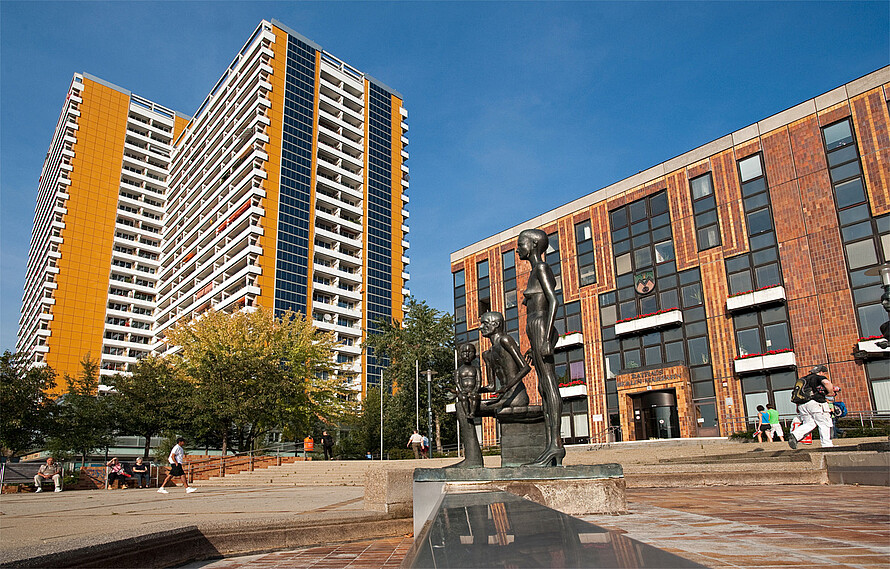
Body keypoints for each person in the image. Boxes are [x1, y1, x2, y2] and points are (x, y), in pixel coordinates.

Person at [518, 228, 565, 466]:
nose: (518, 248)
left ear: (534, 245)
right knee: (542, 386)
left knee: (548, 382)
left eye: (521, 243)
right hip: (536, 329)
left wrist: (545, 337)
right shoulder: (534, 272)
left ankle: (556, 445)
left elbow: (554, 301)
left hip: (540, 325)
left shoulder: (541, 269)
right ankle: (550, 444)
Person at [789, 365, 835, 449]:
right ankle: (827, 445)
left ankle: (795, 435)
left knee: (809, 423)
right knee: (824, 423)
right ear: (821, 372)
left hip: (802, 405)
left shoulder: (803, 379)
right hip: (816, 403)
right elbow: (826, 383)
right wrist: (830, 392)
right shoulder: (818, 377)